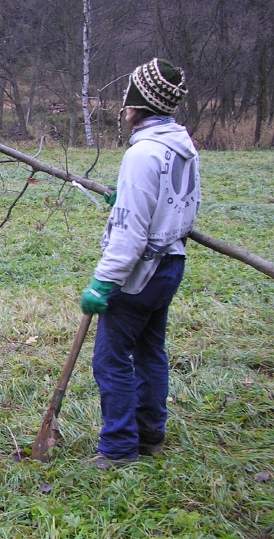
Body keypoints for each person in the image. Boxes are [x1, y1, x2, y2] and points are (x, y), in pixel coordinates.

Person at [80, 58, 201, 469]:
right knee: (150, 352)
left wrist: (102, 283)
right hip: (171, 265)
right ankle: (150, 435)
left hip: (139, 274)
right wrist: (126, 198)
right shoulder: (183, 148)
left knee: (111, 359)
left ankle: (118, 448)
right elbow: (179, 206)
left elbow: (130, 235)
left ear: (135, 105)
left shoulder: (143, 155)